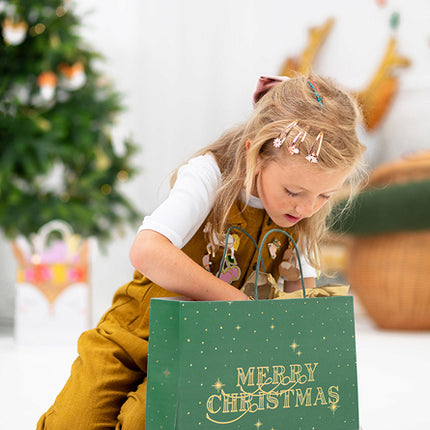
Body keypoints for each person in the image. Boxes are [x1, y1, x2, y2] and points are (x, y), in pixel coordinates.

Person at [37, 73, 366, 429]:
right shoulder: (209, 174)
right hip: (133, 337)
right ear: (254, 155)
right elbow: (146, 250)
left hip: (206, 356)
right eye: (293, 191)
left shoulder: (298, 220)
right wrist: (234, 302)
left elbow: (299, 310)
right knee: (72, 423)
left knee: (143, 421)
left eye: (324, 196)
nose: (306, 208)